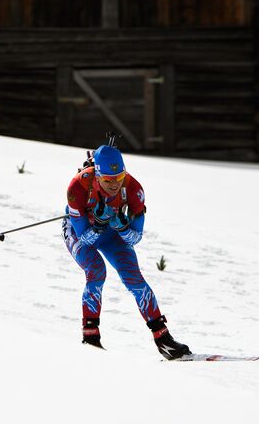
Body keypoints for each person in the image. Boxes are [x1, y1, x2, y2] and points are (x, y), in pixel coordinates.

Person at [62, 144, 191, 360]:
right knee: (96, 272)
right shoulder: (78, 187)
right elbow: (84, 238)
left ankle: (163, 339)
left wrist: (122, 227)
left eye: (119, 177)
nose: (114, 185)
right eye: (108, 180)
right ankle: (91, 337)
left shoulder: (133, 188)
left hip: (112, 233)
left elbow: (136, 238)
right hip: (79, 232)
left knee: (134, 279)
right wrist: (99, 224)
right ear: (97, 174)